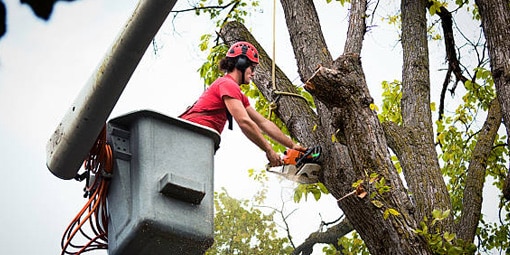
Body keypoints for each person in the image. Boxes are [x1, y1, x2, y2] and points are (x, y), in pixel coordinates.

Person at [180, 41, 305, 167]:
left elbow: (263, 123)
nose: (253, 73)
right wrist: (268, 149)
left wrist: (293, 146)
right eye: (252, 68)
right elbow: (244, 122)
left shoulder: (236, 94)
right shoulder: (227, 84)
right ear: (241, 63)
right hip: (187, 135)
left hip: (198, 139)